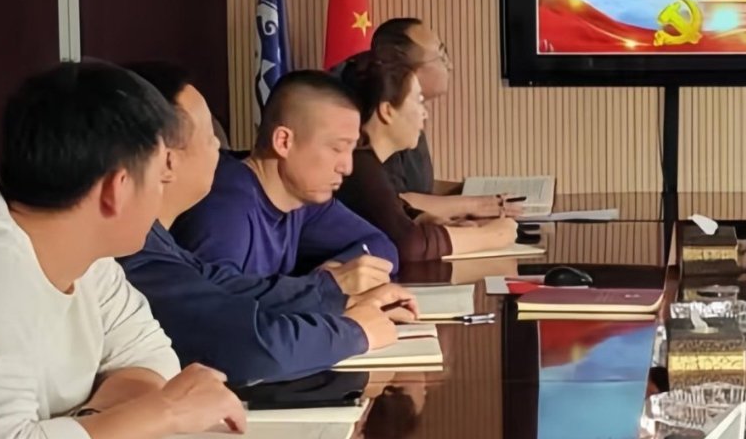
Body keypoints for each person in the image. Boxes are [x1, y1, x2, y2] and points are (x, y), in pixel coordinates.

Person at [0, 61, 246, 439]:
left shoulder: (85, 247)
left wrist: (94, 425)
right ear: (117, 188)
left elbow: (151, 357)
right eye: (160, 177)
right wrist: (165, 412)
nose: (163, 190)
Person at [118, 61, 422, 384]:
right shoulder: (141, 245)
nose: (221, 150)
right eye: (209, 138)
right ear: (166, 160)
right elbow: (246, 342)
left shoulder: (155, 240)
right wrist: (355, 330)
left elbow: (228, 287)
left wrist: (337, 297)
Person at [171, 69, 399, 282]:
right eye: (337, 148)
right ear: (283, 142)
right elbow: (216, 302)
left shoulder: (302, 201)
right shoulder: (226, 207)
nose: (347, 168)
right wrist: (323, 288)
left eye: (351, 149)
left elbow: (381, 246)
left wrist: (335, 271)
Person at [333, 52, 520, 266]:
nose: (425, 114)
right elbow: (408, 245)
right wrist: (491, 236)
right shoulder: (357, 166)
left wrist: (426, 219)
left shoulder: (366, 162)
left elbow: (392, 209)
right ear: (387, 111)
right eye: (419, 101)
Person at [367, 18, 511, 221]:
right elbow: (396, 201)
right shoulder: (382, 123)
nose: (450, 66)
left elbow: (418, 187)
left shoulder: (412, 116)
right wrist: (475, 205)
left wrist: (468, 192)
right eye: (441, 56)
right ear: (408, 70)